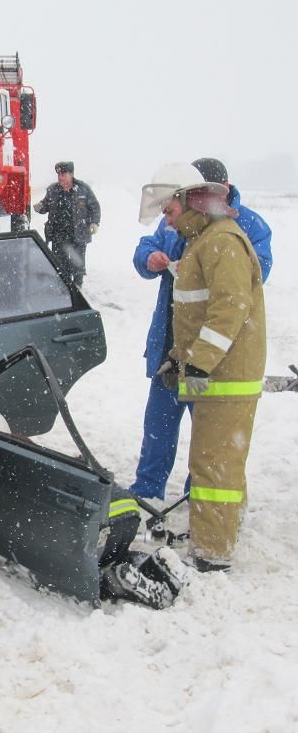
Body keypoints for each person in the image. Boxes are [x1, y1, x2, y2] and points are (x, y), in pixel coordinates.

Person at [137, 163, 266, 572]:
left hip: (222, 377)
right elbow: (195, 316)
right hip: (208, 373)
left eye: (168, 207)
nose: (164, 216)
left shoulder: (222, 241)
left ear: (190, 198)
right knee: (214, 459)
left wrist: (199, 365)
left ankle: (213, 552)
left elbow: (230, 309)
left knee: (213, 464)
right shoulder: (200, 239)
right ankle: (218, 528)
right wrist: (178, 360)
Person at [33, 161, 101, 288]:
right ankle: (63, 286)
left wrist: (94, 223)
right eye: (59, 174)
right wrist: (40, 206)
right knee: (60, 263)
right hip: (59, 233)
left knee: (78, 262)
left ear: (71, 174)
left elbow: (95, 207)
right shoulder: (53, 190)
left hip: (78, 232)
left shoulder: (83, 189)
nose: (60, 177)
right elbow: (46, 204)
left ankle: (78, 285)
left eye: (63, 174)